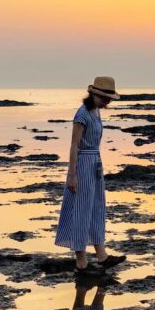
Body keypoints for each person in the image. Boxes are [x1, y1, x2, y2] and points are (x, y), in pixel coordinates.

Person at [54, 76, 127, 275]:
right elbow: (74, 145)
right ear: (93, 94)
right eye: (104, 98)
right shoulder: (82, 114)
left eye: (109, 98)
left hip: (95, 163)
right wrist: (72, 175)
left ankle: (102, 255)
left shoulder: (96, 112)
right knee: (81, 210)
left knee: (96, 208)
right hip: (83, 164)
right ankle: (81, 262)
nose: (107, 102)